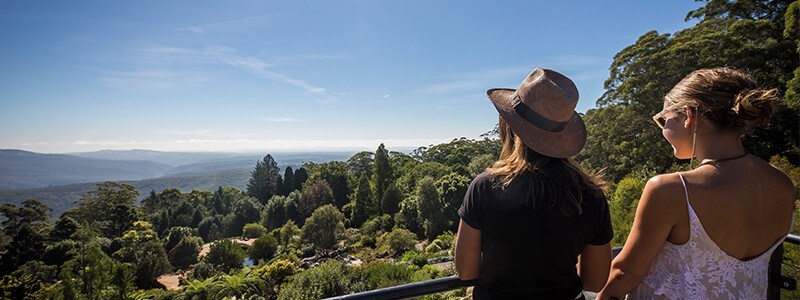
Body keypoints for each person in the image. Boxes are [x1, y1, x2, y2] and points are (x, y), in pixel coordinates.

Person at [597, 67, 795, 299]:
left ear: (688, 115)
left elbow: (625, 272)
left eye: (663, 119)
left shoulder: (672, 189)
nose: (662, 129)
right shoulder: (782, 182)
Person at [455, 68, 613, 299]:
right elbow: (595, 281)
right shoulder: (591, 195)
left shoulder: (485, 187)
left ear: (510, 127)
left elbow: (466, 271)